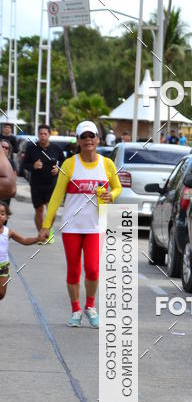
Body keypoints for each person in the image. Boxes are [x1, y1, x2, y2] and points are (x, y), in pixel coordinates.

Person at [38, 121, 122, 328]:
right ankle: (75, 310)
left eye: (91, 136)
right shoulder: (70, 165)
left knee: (92, 270)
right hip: (72, 227)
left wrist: (112, 195)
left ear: (98, 139)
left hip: (95, 226)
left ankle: (90, 306)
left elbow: (117, 187)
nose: (88, 140)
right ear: (78, 140)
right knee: (74, 271)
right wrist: (46, 225)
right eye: (83, 136)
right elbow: (56, 197)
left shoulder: (107, 164)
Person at [22, 124, 65, 239]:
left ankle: (47, 231)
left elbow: (64, 163)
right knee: (39, 210)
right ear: (38, 134)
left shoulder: (56, 148)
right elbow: (24, 165)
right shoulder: (31, 148)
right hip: (36, 184)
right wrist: (33, 166)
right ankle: (41, 234)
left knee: (52, 211)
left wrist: (58, 169)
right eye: (40, 134)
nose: (43, 136)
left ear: (49, 135)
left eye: (45, 134)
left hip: (51, 184)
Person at [0, 201, 41, 300]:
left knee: (1, 294)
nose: (0, 216)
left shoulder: (8, 232)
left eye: (2, 214)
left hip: (3, 265)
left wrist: (37, 239)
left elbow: (24, 240)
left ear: (6, 217)